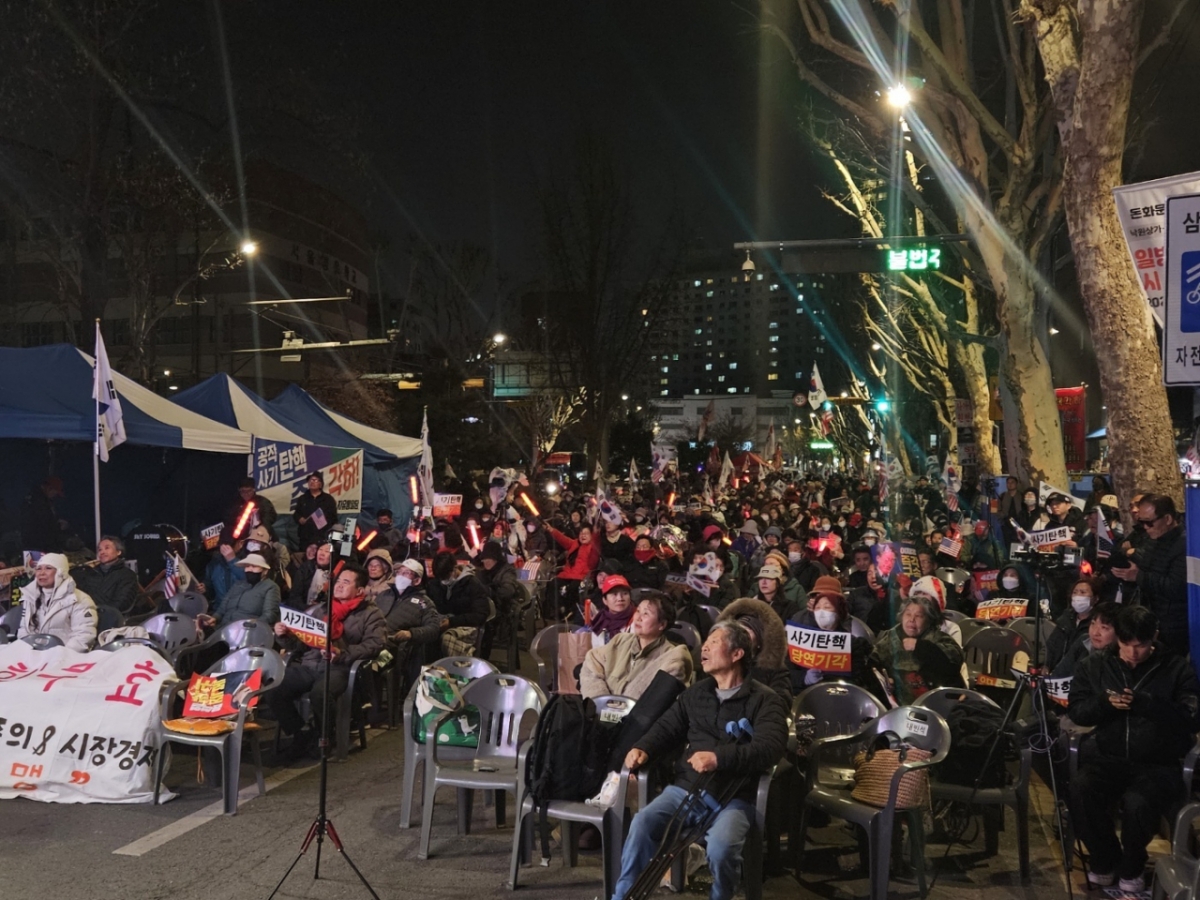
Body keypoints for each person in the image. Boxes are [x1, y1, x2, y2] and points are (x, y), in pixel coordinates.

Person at [612, 622, 789, 900]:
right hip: (686, 790)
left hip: (735, 799)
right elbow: (667, 727)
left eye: (714, 642)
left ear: (737, 654)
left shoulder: (765, 700)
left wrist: (719, 758)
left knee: (721, 848)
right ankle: (623, 896)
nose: (704, 647)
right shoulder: (696, 693)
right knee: (642, 824)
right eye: (705, 641)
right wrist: (643, 747)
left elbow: (770, 748)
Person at [1069, 606, 1200, 892]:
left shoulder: (1176, 668)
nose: (1133, 653)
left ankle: (1132, 865)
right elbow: (1077, 710)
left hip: (1158, 762)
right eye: (1126, 644)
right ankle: (1104, 859)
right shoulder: (1096, 664)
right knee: (1081, 789)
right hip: (1109, 756)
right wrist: (1104, 704)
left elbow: (1191, 717)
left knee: (1138, 802)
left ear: (1154, 637)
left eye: (1140, 645)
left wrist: (1149, 704)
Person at [268, 564, 386, 760]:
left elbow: (376, 644)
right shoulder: (322, 609)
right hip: (310, 664)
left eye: (346, 582)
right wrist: (284, 635)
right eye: (338, 581)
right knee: (274, 686)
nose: (339, 585)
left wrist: (342, 653)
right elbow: (300, 645)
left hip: (341, 668)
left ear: (359, 590)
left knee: (320, 694)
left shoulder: (370, 613)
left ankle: (325, 737)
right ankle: (301, 733)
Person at [580, 593, 693, 699]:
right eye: (638, 611)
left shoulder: (671, 656)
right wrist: (600, 701)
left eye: (646, 614)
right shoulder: (621, 640)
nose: (638, 618)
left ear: (662, 624)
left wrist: (618, 708)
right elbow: (592, 661)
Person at [1115, 493, 1187, 655]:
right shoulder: (1153, 538)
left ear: (1167, 519)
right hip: (1152, 617)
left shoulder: (1184, 545)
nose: (1145, 527)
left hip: (1173, 625)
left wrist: (1137, 576)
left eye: (1149, 522)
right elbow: (1145, 561)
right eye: (1141, 522)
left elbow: (1176, 587)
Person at [869, 595, 964, 706]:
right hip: (900, 707)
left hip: (939, 705)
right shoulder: (890, 639)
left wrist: (921, 647)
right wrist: (885, 680)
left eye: (918, 616)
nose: (912, 620)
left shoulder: (939, 638)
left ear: (928, 620)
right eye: (908, 614)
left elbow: (954, 662)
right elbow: (873, 663)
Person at [787, 577, 872, 692]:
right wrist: (804, 678)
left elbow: (860, 679)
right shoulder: (799, 638)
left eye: (827, 607)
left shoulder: (853, 644)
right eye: (817, 607)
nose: (821, 612)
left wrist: (834, 680)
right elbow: (786, 672)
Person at [17, 552, 98, 652]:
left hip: (65, 656)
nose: (41, 573)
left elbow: (84, 636)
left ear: (61, 572)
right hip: (36, 656)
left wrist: (60, 656)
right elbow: (24, 630)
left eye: (48, 568)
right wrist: (26, 652)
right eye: (38, 568)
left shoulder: (80, 599)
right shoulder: (30, 597)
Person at [429, 554, 491, 657]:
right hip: (442, 621)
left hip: (466, 625)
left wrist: (452, 621)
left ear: (454, 569)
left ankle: (459, 666)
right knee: (425, 635)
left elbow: (480, 614)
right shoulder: (436, 583)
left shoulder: (472, 583)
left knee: (448, 639)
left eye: (446, 577)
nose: (444, 581)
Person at [204, 553, 281, 627]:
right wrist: (215, 618)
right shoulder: (238, 584)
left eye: (254, 566)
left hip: (248, 630)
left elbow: (269, 616)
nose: (250, 569)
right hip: (224, 627)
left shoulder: (271, 587)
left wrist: (251, 625)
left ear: (265, 571)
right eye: (247, 566)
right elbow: (222, 607)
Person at [70, 535, 141, 615]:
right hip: (84, 615)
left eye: (107, 548)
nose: (102, 552)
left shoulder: (127, 575)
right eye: (100, 550)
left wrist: (98, 610)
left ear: (118, 552)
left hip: (110, 617)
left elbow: (122, 603)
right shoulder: (90, 573)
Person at [1050, 600, 1120, 678]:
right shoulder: (1083, 641)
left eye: (1104, 627)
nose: (1095, 633)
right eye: (1093, 623)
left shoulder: (1123, 658)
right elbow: (1059, 673)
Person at [546, 521, 600, 620]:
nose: (583, 535)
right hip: (567, 575)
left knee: (573, 587)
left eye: (586, 533)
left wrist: (596, 536)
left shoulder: (593, 548)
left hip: (582, 577)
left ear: (591, 535)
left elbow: (594, 560)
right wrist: (552, 530)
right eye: (581, 533)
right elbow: (562, 539)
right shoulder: (574, 543)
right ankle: (559, 610)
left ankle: (571, 611)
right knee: (553, 583)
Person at [477, 541, 522, 658]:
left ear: (496, 559)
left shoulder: (507, 571)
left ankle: (482, 658)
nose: (485, 561)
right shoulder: (482, 573)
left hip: (504, 613)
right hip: (486, 610)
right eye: (484, 558)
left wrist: (489, 590)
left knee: (484, 624)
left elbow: (507, 591)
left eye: (489, 559)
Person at [1046, 578, 1098, 671]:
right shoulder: (1065, 618)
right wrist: (1047, 665)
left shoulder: (1097, 625)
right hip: (1056, 672)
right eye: (1075, 592)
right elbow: (1051, 645)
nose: (1078, 596)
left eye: (1083, 592)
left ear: (1095, 599)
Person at [20, 476, 66, 552]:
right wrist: (59, 526)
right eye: (55, 492)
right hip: (39, 546)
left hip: (30, 544)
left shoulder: (32, 497)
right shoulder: (39, 502)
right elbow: (44, 524)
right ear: (49, 488)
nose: (55, 495)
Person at [293, 471, 337, 549]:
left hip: (322, 536)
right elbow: (296, 514)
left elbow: (333, 517)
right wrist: (299, 518)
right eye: (310, 480)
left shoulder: (328, 499)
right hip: (305, 536)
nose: (312, 482)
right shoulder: (302, 498)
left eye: (315, 480)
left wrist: (324, 522)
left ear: (320, 484)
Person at [205, 531, 246, 608]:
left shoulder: (247, 561)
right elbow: (210, 588)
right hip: (219, 609)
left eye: (229, 545)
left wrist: (232, 560)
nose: (225, 549)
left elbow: (249, 581)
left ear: (240, 544)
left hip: (240, 610)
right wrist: (205, 588)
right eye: (223, 545)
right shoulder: (214, 564)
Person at [590, 573, 636, 638]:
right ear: (605, 600)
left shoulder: (638, 619)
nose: (620, 599)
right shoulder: (599, 621)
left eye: (625, 593)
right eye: (614, 594)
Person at [289, 542, 332, 610]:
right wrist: (307, 609)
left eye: (327, 551)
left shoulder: (337, 574)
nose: (322, 553)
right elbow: (294, 597)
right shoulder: (306, 568)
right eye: (320, 549)